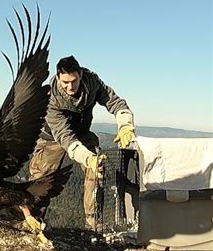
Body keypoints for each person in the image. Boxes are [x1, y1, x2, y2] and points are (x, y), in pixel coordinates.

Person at [29, 55, 136, 230]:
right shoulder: (50, 98)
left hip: (82, 132)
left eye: (74, 81)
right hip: (52, 138)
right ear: (57, 78)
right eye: (65, 82)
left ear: (80, 74)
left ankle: (94, 223)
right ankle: (34, 222)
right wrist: (87, 158)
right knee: (41, 180)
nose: (70, 86)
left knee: (97, 169)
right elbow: (65, 137)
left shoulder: (92, 82)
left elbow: (115, 102)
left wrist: (125, 125)